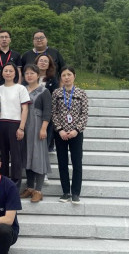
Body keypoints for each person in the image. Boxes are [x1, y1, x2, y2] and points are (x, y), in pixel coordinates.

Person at [51, 66, 89, 204]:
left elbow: (84, 114)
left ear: (74, 76)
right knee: (62, 163)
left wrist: (76, 130)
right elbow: (53, 113)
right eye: (64, 75)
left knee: (77, 163)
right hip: (60, 134)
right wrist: (60, 129)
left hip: (76, 133)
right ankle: (66, 192)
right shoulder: (56, 93)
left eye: (69, 74)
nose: (66, 77)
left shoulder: (81, 93)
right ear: (60, 77)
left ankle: (76, 193)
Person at [19, 64, 52, 203]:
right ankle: (30, 187)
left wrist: (43, 128)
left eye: (32, 73)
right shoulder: (22, 90)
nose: (29, 75)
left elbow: (47, 111)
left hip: (38, 125)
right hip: (24, 126)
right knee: (27, 156)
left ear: (38, 75)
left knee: (38, 157)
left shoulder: (44, 91)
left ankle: (38, 190)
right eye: (27, 73)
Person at [0, 62, 30, 186]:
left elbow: (25, 109)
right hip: (0, 124)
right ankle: (3, 183)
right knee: (2, 156)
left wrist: (21, 128)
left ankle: (15, 185)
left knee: (16, 156)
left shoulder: (21, 88)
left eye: (11, 71)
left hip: (15, 124)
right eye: (6, 71)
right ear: (2, 73)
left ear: (15, 73)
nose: (8, 73)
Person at [36, 53, 59, 152]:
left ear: (49, 65)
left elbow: (54, 96)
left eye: (46, 61)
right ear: (36, 63)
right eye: (41, 60)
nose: (43, 63)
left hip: (46, 112)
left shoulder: (53, 80)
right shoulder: (30, 77)